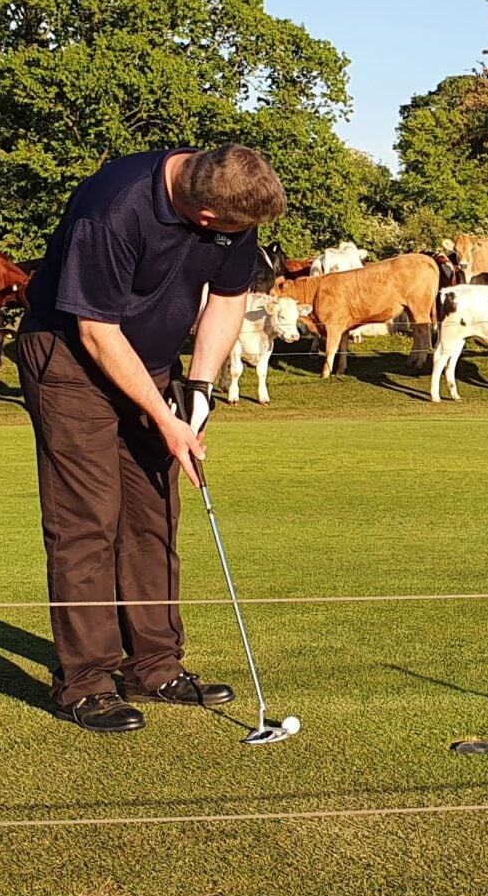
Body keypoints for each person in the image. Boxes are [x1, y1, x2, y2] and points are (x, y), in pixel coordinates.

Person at [17, 145, 286, 732]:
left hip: (154, 362)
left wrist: (199, 390)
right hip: (69, 361)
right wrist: (165, 420)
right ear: (205, 216)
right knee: (88, 518)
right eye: (235, 231)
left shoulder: (231, 198)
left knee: (154, 512)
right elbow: (95, 330)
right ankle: (84, 682)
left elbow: (228, 297)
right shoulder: (111, 209)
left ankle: (156, 667)